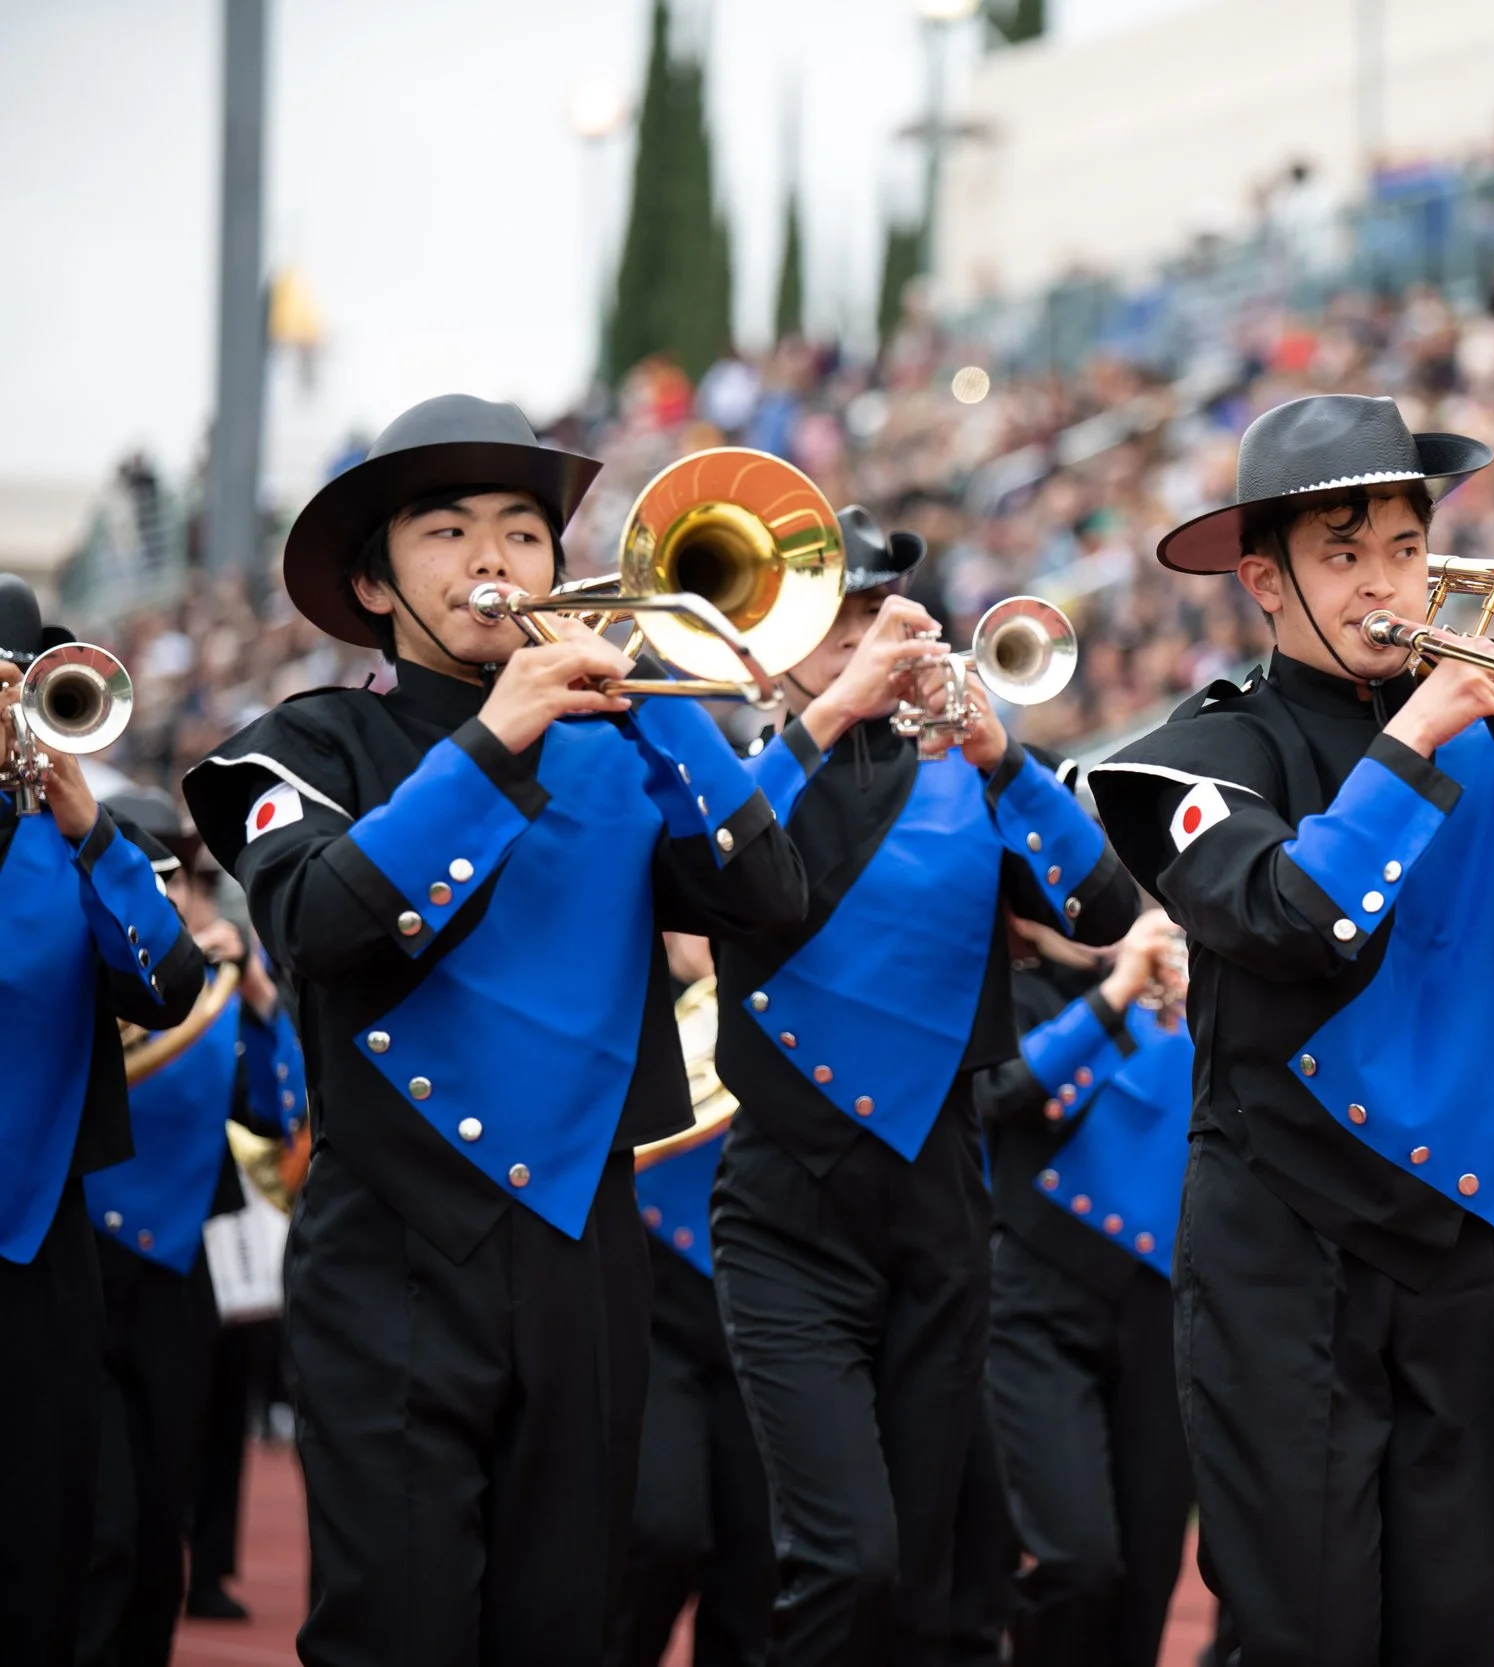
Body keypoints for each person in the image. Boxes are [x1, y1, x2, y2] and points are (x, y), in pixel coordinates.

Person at [182, 394, 810, 1667]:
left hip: (587, 1251)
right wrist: (495, 736)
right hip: (389, 1247)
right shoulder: (294, 748)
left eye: (524, 533)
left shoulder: (628, 751)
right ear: (374, 584)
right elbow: (317, 919)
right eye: (449, 530)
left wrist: (659, 701)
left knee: (562, 1626)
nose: (495, 560)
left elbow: (769, 899)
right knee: (399, 1627)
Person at [1088, 393, 1494, 1665]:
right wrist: (1418, 734)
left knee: (1450, 1629)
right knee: (1305, 1629)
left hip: (1469, 1243)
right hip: (1283, 1239)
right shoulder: (1198, 752)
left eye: (1405, 546)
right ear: (1263, 581)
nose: (1385, 582)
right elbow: (1295, 918)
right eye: (1342, 554)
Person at [707, 507, 1138, 1665]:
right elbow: (715, 870)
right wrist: (830, 715)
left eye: (874, 616)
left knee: (918, 1579)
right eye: (833, 622)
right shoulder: (742, 774)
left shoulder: (966, 776)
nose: (860, 640)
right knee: (843, 1557)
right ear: (773, 651)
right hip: (785, 1206)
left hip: (941, 1201)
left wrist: (1006, 759)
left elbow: (1102, 908)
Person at [0, 577, 207, 1667]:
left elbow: (168, 984)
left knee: (46, 1550)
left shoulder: (71, 838)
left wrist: (89, 827)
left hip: (38, 1250)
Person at [76, 790, 293, 1667]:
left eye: (182, 884)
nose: (174, 901)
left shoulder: (214, 1003)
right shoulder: (76, 980)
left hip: (175, 1279)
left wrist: (263, 1004)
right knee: (98, 1528)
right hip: (76, 1264)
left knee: (160, 1530)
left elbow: (279, 1116)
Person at [980, 903, 1196, 1666]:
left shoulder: (1182, 992)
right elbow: (1000, 1090)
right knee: (1077, 1560)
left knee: (1147, 1579)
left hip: (1163, 1315)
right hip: (1036, 1301)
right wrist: (1118, 991)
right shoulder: (1011, 988)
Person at [606, 937, 773, 1667]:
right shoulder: (629, 991)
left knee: (760, 1563)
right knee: (660, 1530)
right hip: (650, 1302)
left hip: (763, 1305)